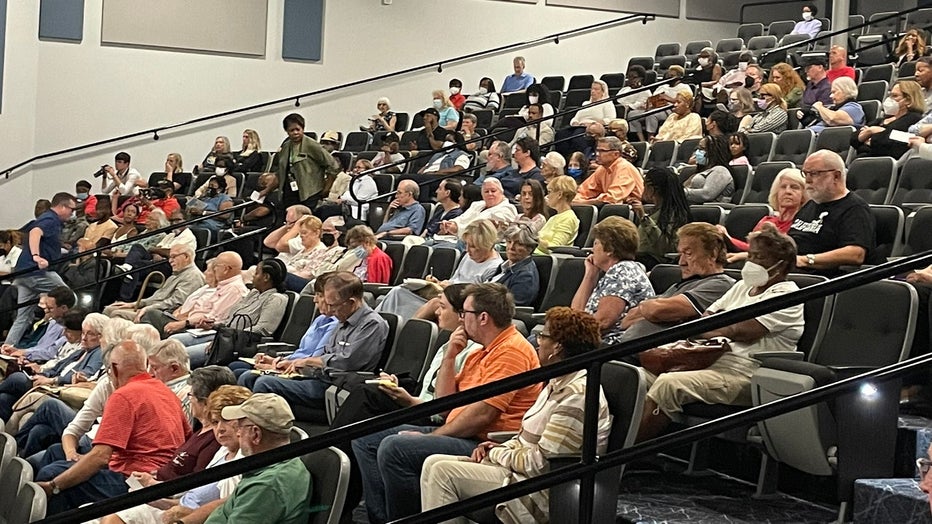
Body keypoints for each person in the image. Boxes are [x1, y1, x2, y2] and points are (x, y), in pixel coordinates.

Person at [353, 283, 541, 522]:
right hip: (461, 433)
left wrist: (432, 438)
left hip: (484, 442)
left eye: (465, 313)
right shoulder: (480, 351)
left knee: (395, 448)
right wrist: (450, 355)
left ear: (483, 317)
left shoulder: (512, 351)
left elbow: (481, 417)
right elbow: (443, 406)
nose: (461, 319)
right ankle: (381, 519)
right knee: (365, 439)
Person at [420, 307, 611, 524]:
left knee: (442, 473)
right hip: (519, 472)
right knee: (432, 462)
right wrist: (498, 447)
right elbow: (526, 438)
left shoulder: (576, 397)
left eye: (543, 336)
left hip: (542, 489)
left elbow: (543, 464)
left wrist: (497, 454)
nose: (538, 341)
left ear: (557, 346)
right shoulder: (557, 383)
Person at [636, 224, 805, 442]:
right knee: (639, 377)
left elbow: (742, 331)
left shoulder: (787, 295)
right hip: (710, 361)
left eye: (760, 258)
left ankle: (618, 461)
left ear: (781, 265)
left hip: (748, 373)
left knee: (670, 384)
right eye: (750, 255)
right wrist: (719, 326)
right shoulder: (742, 286)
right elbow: (707, 317)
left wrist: (719, 326)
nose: (751, 263)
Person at [35, 340, 190, 515]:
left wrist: (53, 486)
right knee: (56, 454)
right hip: (161, 476)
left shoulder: (124, 395)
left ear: (114, 370)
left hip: (135, 481)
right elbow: (187, 438)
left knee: (52, 475)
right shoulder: (166, 392)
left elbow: (100, 457)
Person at [97, 385, 250, 524]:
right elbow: (187, 497)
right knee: (93, 513)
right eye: (216, 422)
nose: (220, 429)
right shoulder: (222, 451)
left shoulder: (245, 462)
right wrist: (156, 497)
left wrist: (183, 516)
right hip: (174, 505)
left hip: (187, 518)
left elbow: (224, 511)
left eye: (227, 421)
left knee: (112, 519)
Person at [251, 271, 389, 407]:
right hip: (319, 377)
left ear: (351, 302)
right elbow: (326, 353)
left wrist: (308, 361)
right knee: (249, 377)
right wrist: (296, 366)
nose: (329, 310)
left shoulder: (372, 324)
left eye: (333, 305)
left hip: (336, 387)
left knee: (264, 383)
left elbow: (347, 362)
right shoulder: (343, 318)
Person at [204, 393, 309, 524]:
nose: (238, 433)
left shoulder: (266, 486)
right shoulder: (275, 466)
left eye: (240, 427)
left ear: (256, 434)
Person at [623, 223, 735, 343]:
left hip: (651, 355)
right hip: (622, 347)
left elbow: (657, 311)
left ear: (713, 254)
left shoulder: (721, 284)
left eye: (688, 253)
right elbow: (626, 321)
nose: (681, 262)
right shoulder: (680, 285)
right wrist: (655, 312)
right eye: (680, 254)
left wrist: (647, 308)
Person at [171, 258, 287, 368]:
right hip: (225, 334)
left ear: (266, 277)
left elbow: (262, 330)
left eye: (256, 273)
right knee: (174, 341)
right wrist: (214, 325)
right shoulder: (254, 293)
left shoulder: (276, 298)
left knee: (179, 356)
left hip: (240, 343)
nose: (253, 276)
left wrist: (226, 340)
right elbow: (231, 319)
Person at [378, 220, 502, 319]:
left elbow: (479, 298)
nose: (468, 250)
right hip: (444, 295)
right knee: (398, 291)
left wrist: (448, 288)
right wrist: (437, 283)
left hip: (457, 306)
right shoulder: (469, 257)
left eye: (474, 247)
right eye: (467, 245)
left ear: (487, 245)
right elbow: (454, 280)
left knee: (415, 302)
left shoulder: (494, 267)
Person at [0, 309, 101, 423]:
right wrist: (42, 375)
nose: (84, 337)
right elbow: (57, 366)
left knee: (18, 379)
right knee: (5, 398)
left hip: (58, 390)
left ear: (101, 336)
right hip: (47, 382)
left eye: (90, 334)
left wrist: (51, 380)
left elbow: (85, 374)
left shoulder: (98, 353)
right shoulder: (82, 350)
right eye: (84, 333)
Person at [232, 273, 339, 381]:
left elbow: (313, 362)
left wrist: (276, 367)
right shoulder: (320, 319)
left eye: (320, 296)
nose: (314, 300)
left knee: (250, 378)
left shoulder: (335, 324)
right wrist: (276, 360)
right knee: (237, 368)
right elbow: (301, 351)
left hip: (303, 373)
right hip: (292, 364)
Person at [789, 150, 879, 276]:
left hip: (821, 279)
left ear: (836, 176)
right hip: (792, 271)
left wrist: (805, 260)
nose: (808, 180)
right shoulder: (810, 205)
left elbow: (856, 254)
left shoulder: (855, 208)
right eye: (805, 173)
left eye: (814, 173)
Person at [5, 193, 76, 346]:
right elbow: (35, 232)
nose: (73, 213)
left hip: (24, 273)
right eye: (71, 209)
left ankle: (7, 348)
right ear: (63, 207)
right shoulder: (51, 219)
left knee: (23, 316)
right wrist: (36, 256)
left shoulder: (48, 219)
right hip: (36, 272)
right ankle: (64, 340)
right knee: (70, 298)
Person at [571, 216, 654, 345]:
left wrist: (566, 335)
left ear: (609, 249)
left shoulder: (623, 272)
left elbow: (603, 322)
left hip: (610, 346)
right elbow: (576, 314)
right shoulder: (616, 271)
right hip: (593, 341)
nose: (592, 250)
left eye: (596, 243)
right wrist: (590, 275)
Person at [722, 168, 808, 262]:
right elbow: (752, 247)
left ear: (804, 194)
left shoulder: (801, 224)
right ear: (776, 193)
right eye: (783, 187)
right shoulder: (767, 221)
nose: (787, 191)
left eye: (794, 187)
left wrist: (729, 239)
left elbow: (775, 252)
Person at [103, 244, 205, 321]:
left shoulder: (193, 276)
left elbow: (175, 303)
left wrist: (147, 309)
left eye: (174, 257)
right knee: (110, 308)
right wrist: (133, 304)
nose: (170, 261)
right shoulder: (177, 274)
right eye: (170, 257)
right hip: (153, 308)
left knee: (117, 314)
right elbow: (157, 298)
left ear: (186, 257)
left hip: (162, 314)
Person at [271, 113, 339, 209]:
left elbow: (333, 166)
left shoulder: (311, 145)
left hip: (309, 193)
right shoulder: (286, 146)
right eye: (291, 130)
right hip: (290, 191)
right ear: (286, 131)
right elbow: (282, 169)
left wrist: (326, 188)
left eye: (298, 129)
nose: (295, 133)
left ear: (303, 129)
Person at [635, 167, 692, 269]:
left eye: (645, 186)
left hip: (655, 262)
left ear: (651, 189)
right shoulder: (654, 210)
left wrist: (643, 218)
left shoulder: (674, 214)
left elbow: (664, 247)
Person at [853, 80, 925, 159]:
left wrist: (870, 134)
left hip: (882, 162)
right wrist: (871, 131)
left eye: (895, 96)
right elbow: (853, 139)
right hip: (862, 159)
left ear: (908, 100)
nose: (890, 99)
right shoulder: (883, 119)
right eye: (890, 95)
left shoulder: (914, 118)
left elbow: (892, 145)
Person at [1, 285, 74, 362]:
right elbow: (40, 346)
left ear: (64, 308)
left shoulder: (71, 330)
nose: (46, 311)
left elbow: (51, 353)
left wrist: (24, 353)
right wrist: (16, 349)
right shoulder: (53, 323)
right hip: (32, 357)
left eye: (50, 308)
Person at [434, 179, 517, 244]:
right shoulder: (477, 205)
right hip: (459, 240)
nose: (490, 194)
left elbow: (477, 228)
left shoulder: (508, 209)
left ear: (501, 192)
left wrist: (456, 229)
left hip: (483, 245)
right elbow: (462, 218)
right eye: (486, 191)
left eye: (493, 191)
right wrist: (451, 223)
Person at [573, 136, 643, 205]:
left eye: (602, 151)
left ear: (616, 154)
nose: (597, 154)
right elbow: (584, 191)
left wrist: (582, 203)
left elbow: (612, 198)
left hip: (631, 210)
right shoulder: (602, 168)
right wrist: (575, 200)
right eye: (597, 150)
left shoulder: (624, 168)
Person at [631, 65, 693, 142]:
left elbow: (687, 101)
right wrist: (649, 103)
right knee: (632, 114)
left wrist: (667, 98)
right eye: (668, 75)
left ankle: (650, 139)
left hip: (670, 109)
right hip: (654, 107)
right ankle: (642, 140)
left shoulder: (684, 87)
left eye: (672, 76)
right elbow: (652, 98)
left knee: (652, 115)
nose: (669, 77)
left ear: (679, 77)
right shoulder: (663, 86)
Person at [684, 134, 735, 204]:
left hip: (707, 211)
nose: (697, 152)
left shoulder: (720, 170)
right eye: (697, 149)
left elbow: (707, 194)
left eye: (702, 149)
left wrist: (682, 193)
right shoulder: (702, 171)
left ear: (714, 152)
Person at [535, 176, 579, 255]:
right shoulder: (554, 217)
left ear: (559, 194)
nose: (547, 196)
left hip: (546, 260)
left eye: (549, 192)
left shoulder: (569, 218)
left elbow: (555, 248)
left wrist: (533, 240)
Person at [800, 55, 833, 121]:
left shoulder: (828, 87)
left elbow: (824, 109)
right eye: (805, 68)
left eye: (809, 68)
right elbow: (803, 104)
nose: (806, 71)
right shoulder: (809, 85)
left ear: (820, 67)